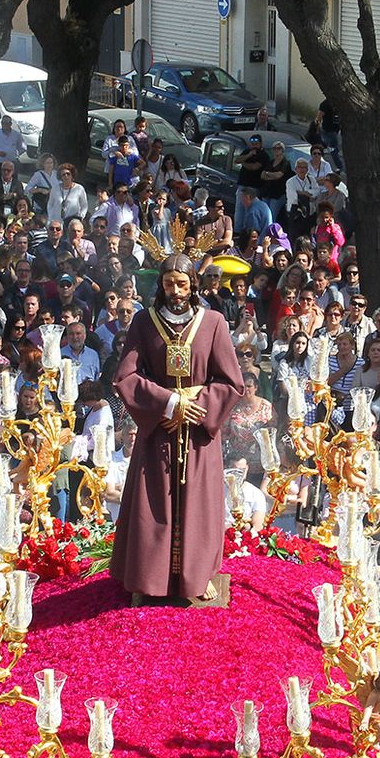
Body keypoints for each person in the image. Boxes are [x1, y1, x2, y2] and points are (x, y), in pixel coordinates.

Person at [108, 254, 244, 602]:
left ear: (193, 285)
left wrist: (195, 408)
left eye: (182, 284)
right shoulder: (144, 321)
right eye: (169, 283)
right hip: (159, 430)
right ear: (162, 285)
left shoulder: (212, 322)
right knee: (151, 504)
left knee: (199, 505)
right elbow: (126, 375)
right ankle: (147, 577)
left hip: (197, 433)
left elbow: (231, 382)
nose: (176, 291)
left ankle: (197, 577)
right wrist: (168, 404)